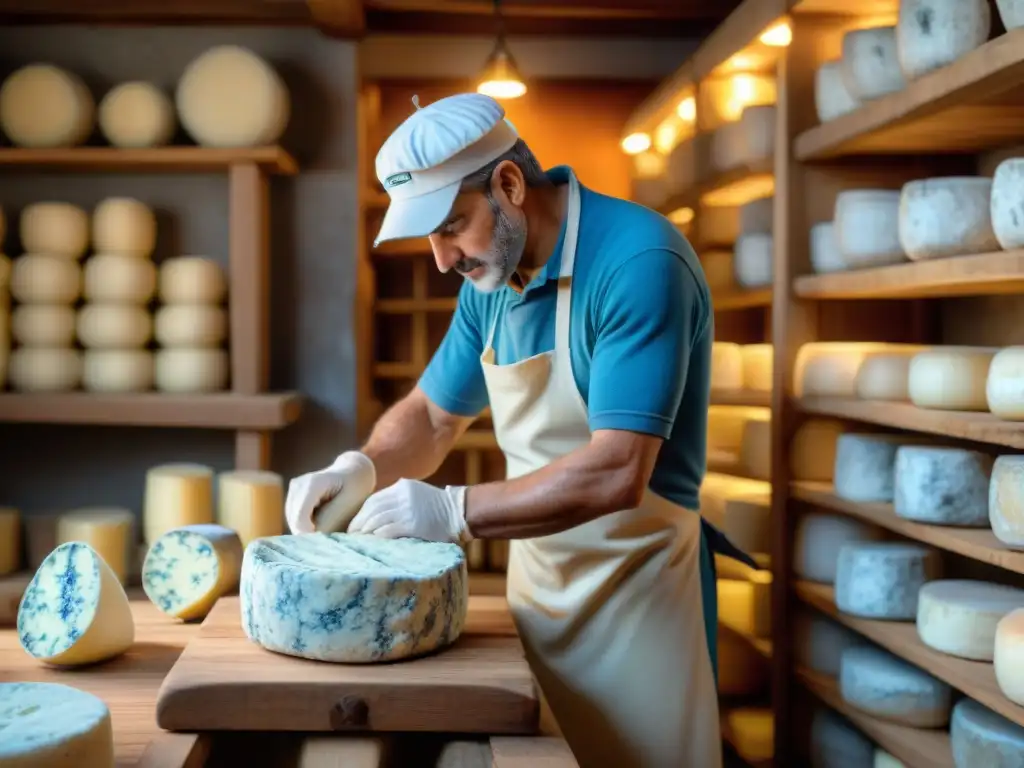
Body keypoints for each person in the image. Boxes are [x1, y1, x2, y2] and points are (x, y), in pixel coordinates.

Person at [284, 92, 755, 768]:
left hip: (641, 604)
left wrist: (454, 509)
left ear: (508, 185)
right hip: (536, 595)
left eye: (452, 227)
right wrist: (358, 467)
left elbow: (618, 470)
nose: (443, 259)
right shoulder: (491, 283)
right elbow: (433, 415)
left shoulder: (640, 263)